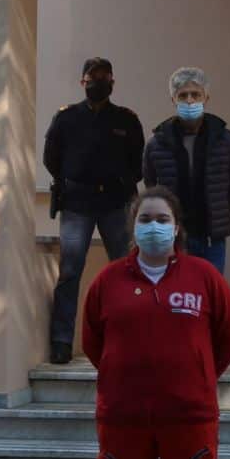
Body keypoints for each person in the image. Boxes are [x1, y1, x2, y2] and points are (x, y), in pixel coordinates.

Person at [80, 186, 230, 459]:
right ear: (133, 229)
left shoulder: (204, 277)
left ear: (177, 228)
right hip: (123, 420)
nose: (154, 227)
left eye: (162, 219)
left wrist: (195, 375)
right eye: (146, 219)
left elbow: (228, 337)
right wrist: (126, 378)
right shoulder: (108, 281)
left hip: (189, 418)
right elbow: (92, 342)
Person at [43, 56, 144, 364]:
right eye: (92, 77)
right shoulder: (66, 118)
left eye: (104, 77)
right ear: (82, 82)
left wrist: (119, 182)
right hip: (77, 205)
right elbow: (51, 159)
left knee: (126, 271)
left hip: (116, 204)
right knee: (70, 272)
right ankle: (62, 342)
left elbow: (137, 163)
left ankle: (129, 336)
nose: (98, 82)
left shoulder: (126, 119)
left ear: (113, 81)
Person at [142, 66, 230, 270]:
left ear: (206, 97)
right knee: (175, 293)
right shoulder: (157, 143)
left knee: (210, 293)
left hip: (211, 236)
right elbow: (151, 184)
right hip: (174, 236)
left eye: (195, 94)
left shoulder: (227, 140)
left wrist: (218, 210)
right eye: (183, 95)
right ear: (173, 99)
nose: (189, 100)